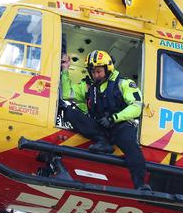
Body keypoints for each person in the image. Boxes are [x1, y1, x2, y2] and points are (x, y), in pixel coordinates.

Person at [60, 50, 149, 191]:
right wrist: (65, 69)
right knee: (70, 113)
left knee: (131, 148)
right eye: (93, 72)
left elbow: (137, 107)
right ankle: (103, 142)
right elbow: (67, 93)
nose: (96, 75)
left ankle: (141, 185)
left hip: (120, 126)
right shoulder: (88, 86)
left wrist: (114, 118)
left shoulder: (124, 83)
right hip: (100, 128)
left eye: (99, 71)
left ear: (108, 69)